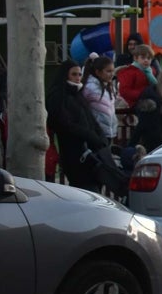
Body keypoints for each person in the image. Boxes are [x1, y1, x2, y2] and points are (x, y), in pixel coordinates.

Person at [46, 61, 106, 192]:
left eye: (79, 74)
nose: (78, 77)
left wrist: (100, 136)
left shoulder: (77, 95)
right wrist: (89, 135)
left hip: (88, 150)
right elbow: (64, 124)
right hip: (72, 152)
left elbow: (90, 118)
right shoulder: (58, 95)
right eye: (74, 74)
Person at [81, 54, 118, 144]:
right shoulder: (89, 88)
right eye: (108, 71)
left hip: (109, 131)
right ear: (98, 72)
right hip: (96, 132)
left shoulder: (109, 86)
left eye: (113, 71)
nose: (112, 74)